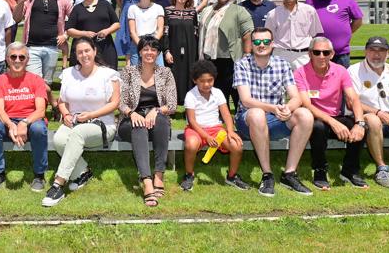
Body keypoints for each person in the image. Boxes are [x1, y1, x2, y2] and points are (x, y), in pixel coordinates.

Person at [233, 27, 314, 197]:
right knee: (256, 113)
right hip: (247, 120)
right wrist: (274, 108)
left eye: (265, 41)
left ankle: (289, 173)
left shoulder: (282, 64)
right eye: (256, 42)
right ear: (251, 45)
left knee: (305, 115)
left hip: (275, 118)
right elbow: (246, 100)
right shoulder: (242, 64)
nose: (261, 45)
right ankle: (267, 174)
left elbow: (296, 97)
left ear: (273, 44)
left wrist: (288, 108)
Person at [41, 38, 120, 207]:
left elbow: (115, 103)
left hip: (102, 124)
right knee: (59, 140)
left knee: (78, 133)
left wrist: (91, 114)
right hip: (74, 122)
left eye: (87, 51)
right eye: (80, 52)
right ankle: (83, 172)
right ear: (75, 55)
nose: (84, 55)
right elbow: (61, 101)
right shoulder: (69, 73)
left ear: (95, 51)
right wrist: (66, 114)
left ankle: (57, 185)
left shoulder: (109, 74)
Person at [294, 37, 368, 190]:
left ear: (332, 54)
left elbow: (353, 98)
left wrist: (360, 123)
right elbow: (306, 104)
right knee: (319, 128)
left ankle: (350, 170)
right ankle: (320, 170)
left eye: (325, 52)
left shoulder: (340, 70)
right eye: (317, 52)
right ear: (310, 54)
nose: (321, 56)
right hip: (313, 117)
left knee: (361, 127)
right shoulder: (300, 73)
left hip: (336, 116)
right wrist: (333, 122)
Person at [118, 36, 177, 207]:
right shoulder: (128, 72)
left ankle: (159, 174)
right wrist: (131, 113)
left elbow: (172, 104)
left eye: (153, 49)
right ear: (140, 52)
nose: (149, 52)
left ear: (158, 53)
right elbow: (119, 101)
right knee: (139, 125)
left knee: (161, 121)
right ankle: (147, 180)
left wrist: (156, 110)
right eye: (145, 49)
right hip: (131, 120)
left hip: (157, 118)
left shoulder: (165, 73)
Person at [0, 42, 48, 193]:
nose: (17, 60)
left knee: (39, 129)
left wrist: (24, 123)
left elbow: (40, 111)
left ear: (27, 59)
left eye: (21, 57)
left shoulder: (36, 80)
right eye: (13, 57)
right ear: (7, 59)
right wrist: (11, 125)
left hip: (30, 119)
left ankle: (39, 174)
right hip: (7, 118)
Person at [348, 36, 389, 187]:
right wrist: (380, 114)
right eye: (372, 50)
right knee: (373, 120)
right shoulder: (354, 70)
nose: (376, 54)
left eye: (381, 50)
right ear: (366, 52)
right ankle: (382, 168)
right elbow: (353, 101)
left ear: (388, 53)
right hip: (365, 117)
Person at [180, 60, 248, 192]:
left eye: (210, 80)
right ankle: (189, 175)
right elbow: (192, 121)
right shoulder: (190, 95)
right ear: (195, 80)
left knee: (237, 146)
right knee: (191, 144)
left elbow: (227, 114)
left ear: (214, 79)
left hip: (216, 129)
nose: (206, 84)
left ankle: (232, 176)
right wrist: (206, 137)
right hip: (196, 129)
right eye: (202, 81)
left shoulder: (217, 93)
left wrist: (230, 131)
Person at [13, 0, 73, 108]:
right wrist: (21, 0)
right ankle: (54, 103)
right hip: (32, 47)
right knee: (37, 82)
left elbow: (74, 18)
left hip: (52, 48)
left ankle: (41, 112)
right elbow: (16, 18)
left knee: (46, 84)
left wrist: (66, 34)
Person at [199, 0, 253, 111]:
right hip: (211, 58)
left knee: (235, 89)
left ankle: (242, 115)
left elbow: (247, 34)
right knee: (218, 89)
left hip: (231, 58)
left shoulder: (238, 10)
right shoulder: (208, 10)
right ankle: (223, 114)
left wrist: (246, 55)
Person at [305, 0, 363, 68]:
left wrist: (348, 32)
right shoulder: (310, 1)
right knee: (317, 82)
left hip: (341, 54)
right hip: (318, 53)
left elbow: (358, 19)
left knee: (341, 81)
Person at [265, 0, 323, 70]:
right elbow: (268, 38)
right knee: (280, 84)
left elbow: (313, 35)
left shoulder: (309, 11)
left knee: (304, 84)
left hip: (303, 56)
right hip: (280, 55)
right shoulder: (272, 14)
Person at [66, 0, 120, 70]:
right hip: (84, 50)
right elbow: (69, 30)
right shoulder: (77, 8)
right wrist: (84, 34)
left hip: (105, 49)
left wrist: (107, 31)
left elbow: (117, 24)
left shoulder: (105, 5)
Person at [163, 0, 198, 105]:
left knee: (189, 73)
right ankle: (172, 103)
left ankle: (188, 102)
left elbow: (195, 32)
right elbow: (165, 32)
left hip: (190, 49)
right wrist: (166, 50)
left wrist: (196, 53)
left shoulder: (192, 12)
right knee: (173, 74)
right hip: (173, 48)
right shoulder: (167, 11)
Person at [128, 0, 165, 66]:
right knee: (136, 75)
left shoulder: (159, 8)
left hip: (154, 43)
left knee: (159, 74)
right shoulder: (132, 8)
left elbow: (160, 29)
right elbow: (132, 31)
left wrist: (151, 45)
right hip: (137, 43)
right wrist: (142, 46)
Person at [115, 0, 141, 67]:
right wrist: (126, 9)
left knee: (136, 36)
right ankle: (127, 64)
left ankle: (137, 62)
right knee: (125, 37)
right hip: (125, 15)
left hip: (137, 15)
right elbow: (118, 1)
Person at [56, 0, 73, 69]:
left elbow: (71, 6)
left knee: (64, 42)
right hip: (53, 20)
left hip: (65, 20)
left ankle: (64, 65)